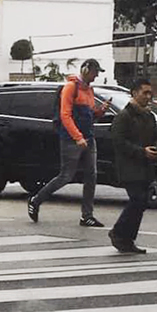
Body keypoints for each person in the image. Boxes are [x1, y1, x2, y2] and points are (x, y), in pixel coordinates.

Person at [28, 58, 109, 227]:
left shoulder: (89, 90)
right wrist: (77, 137)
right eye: (94, 72)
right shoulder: (71, 87)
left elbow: (89, 115)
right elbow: (65, 115)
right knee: (66, 175)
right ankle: (36, 200)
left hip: (88, 137)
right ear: (86, 70)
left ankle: (87, 215)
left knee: (91, 176)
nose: (95, 76)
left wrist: (100, 112)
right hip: (72, 139)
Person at [108, 77, 157, 255]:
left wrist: (154, 151)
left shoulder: (148, 115)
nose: (148, 96)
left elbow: (154, 137)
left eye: (150, 93)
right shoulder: (124, 116)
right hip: (130, 167)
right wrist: (140, 151)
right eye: (145, 92)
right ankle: (118, 233)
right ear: (134, 93)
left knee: (142, 202)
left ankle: (127, 239)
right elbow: (118, 142)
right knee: (137, 200)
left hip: (145, 166)